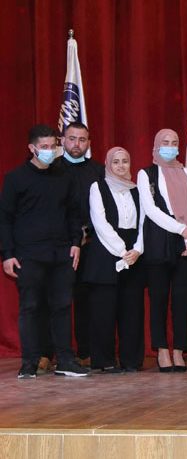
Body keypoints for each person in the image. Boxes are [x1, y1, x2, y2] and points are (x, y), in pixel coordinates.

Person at [0, 124, 89, 378]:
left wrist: (75, 242)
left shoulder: (64, 176)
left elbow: (73, 214)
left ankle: (65, 360)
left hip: (61, 254)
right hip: (28, 255)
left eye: (53, 146)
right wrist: (7, 254)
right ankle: (30, 362)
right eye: (44, 147)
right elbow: (5, 219)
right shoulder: (16, 178)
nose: (50, 151)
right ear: (32, 148)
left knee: (62, 306)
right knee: (30, 307)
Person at [137, 129, 187, 372]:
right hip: (158, 240)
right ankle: (161, 350)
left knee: (182, 299)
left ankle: (179, 349)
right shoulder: (146, 174)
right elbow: (150, 210)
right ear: (156, 145)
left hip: (185, 242)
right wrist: (181, 229)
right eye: (165, 143)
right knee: (159, 298)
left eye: (174, 143)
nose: (170, 147)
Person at [84, 147, 145, 373]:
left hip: (134, 254)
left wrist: (137, 249)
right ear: (108, 165)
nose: (121, 166)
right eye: (116, 162)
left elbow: (144, 223)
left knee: (132, 310)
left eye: (125, 161)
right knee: (104, 311)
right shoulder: (98, 187)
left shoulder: (137, 190)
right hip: (106, 252)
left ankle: (131, 360)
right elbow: (100, 223)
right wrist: (122, 251)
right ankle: (105, 361)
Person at [58, 122, 104, 367]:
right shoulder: (51, 170)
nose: (77, 144)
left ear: (89, 143)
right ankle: (50, 354)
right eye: (72, 138)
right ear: (62, 140)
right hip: (60, 245)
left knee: (87, 301)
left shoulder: (98, 171)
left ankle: (85, 352)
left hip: (93, 244)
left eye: (82, 139)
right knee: (57, 300)